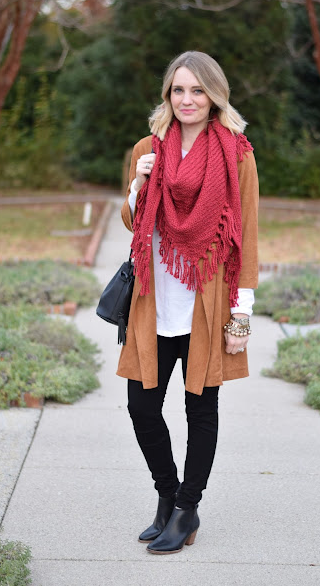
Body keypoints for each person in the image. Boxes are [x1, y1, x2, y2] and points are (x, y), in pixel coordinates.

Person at [117, 50, 259, 555]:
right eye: (178, 90)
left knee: (200, 411)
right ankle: (167, 495)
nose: (187, 99)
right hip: (153, 301)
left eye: (197, 90)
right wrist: (139, 183)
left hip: (207, 305)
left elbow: (247, 236)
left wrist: (241, 313)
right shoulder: (148, 147)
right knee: (141, 408)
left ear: (214, 95)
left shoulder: (237, 155)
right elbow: (133, 222)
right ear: (168, 95)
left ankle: (187, 508)